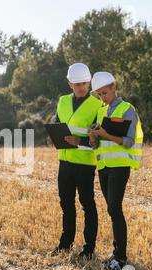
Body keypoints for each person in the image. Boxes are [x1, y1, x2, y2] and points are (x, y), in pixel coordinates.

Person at [89, 71, 144, 270]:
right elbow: (96, 145)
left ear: (113, 87)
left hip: (120, 167)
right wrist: (94, 138)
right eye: (99, 95)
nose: (102, 98)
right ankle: (116, 253)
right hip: (104, 167)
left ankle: (120, 258)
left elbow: (128, 142)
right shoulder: (102, 112)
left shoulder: (127, 110)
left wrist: (105, 134)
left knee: (114, 208)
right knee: (112, 210)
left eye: (104, 93)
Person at [52, 63, 103, 259]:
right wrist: (55, 133)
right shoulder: (63, 101)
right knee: (66, 203)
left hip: (84, 163)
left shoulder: (98, 105)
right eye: (77, 83)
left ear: (89, 82)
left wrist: (80, 141)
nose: (82, 87)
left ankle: (88, 249)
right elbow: (57, 122)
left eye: (84, 83)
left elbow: (99, 137)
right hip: (64, 161)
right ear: (69, 84)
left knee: (87, 204)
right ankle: (65, 244)